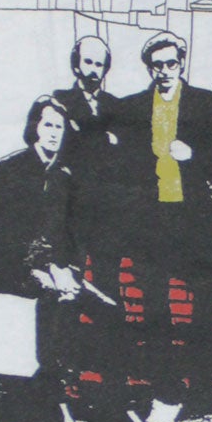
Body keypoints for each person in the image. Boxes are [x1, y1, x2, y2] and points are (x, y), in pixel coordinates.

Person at [114, 31, 212, 422]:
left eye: (171, 63)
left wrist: (195, 156)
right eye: (156, 65)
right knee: (155, 304)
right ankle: (165, 387)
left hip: (194, 218)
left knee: (204, 300)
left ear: (182, 63)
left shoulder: (206, 105)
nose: (163, 71)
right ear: (148, 68)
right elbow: (122, 164)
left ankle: (202, 387)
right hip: (152, 218)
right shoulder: (132, 109)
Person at [0, 95, 86, 422]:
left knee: (98, 302)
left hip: (55, 267)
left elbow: (72, 234)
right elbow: (0, 232)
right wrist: (39, 267)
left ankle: (72, 390)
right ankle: (56, 398)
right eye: (47, 124)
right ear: (34, 127)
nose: (53, 133)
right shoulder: (10, 168)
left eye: (59, 127)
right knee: (56, 297)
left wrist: (70, 269)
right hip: (9, 265)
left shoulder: (66, 175)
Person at [52, 34, 126, 296]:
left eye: (99, 64)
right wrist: (105, 140)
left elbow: (122, 153)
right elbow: (65, 150)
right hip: (72, 208)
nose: (94, 70)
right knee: (71, 280)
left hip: (106, 211)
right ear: (76, 65)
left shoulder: (115, 106)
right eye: (88, 62)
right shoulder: (60, 102)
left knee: (108, 282)